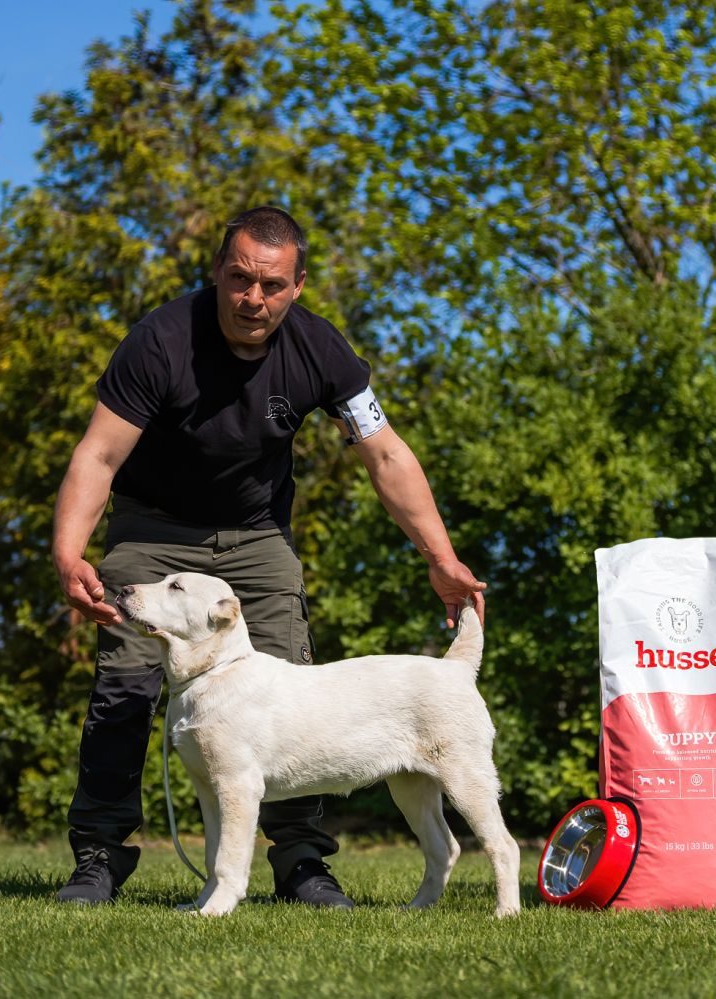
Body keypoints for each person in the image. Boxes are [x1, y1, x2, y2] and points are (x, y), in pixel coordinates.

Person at [51, 206, 486, 907]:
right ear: (218, 272)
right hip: (154, 532)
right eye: (240, 279)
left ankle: (301, 862)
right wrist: (69, 552)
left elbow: (385, 453)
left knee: (294, 692)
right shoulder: (160, 341)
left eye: (272, 285)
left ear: (297, 286)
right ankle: (99, 855)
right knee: (125, 688)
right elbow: (99, 454)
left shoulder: (320, 349)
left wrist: (440, 555)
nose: (253, 298)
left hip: (257, 537)